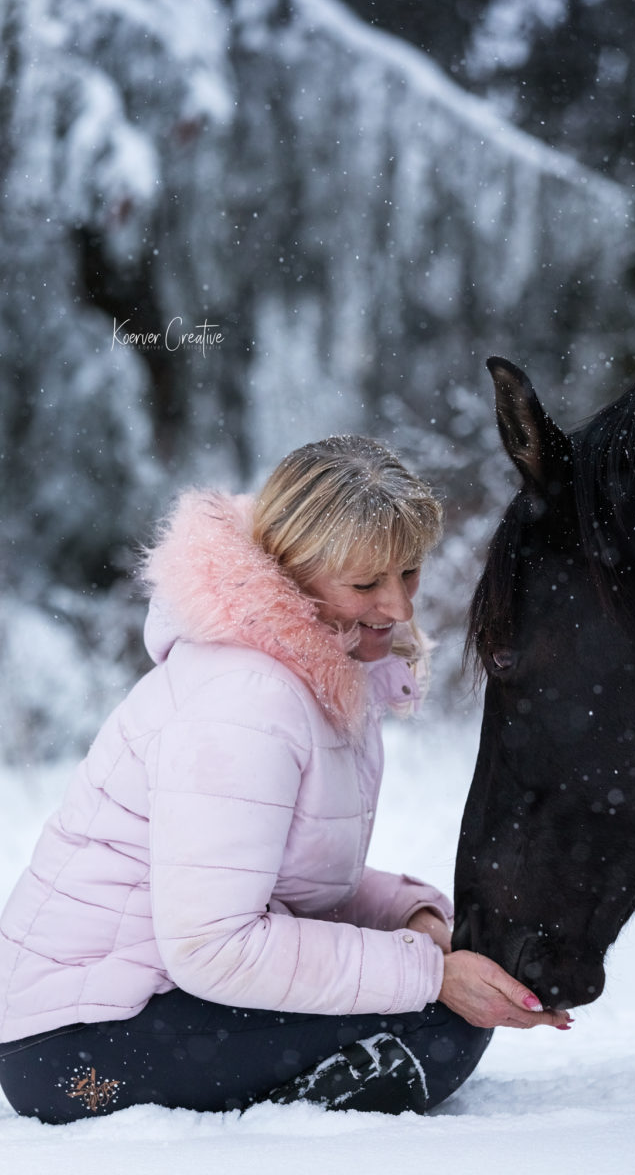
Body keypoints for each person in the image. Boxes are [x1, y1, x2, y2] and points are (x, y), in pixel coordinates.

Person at [0, 436, 571, 1123]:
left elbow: (276, 878)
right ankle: (276, 1145)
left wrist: (415, 923)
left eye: (410, 572)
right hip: (73, 1046)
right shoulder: (246, 699)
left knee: (438, 1012)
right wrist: (429, 974)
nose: (399, 607)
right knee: (434, 1026)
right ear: (294, 571)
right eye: (366, 584)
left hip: (129, 1006)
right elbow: (212, 944)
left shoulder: (312, 678)